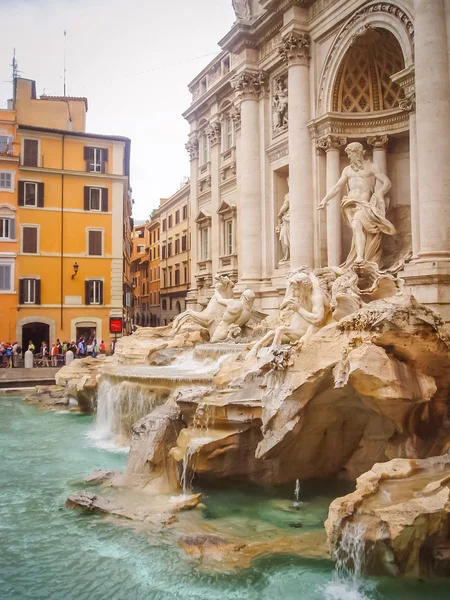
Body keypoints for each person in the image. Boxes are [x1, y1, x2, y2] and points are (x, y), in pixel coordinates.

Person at [318, 141, 396, 268]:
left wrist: (380, 193)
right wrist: (325, 200)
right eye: (348, 154)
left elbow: (387, 182)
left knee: (356, 225)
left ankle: (361, 257)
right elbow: (337, 186)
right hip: (349, 204)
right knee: (357, 229)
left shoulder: (372, 167)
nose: (349, 157)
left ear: (358, 153)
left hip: (364, 203)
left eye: (351, 153)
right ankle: (361, 256)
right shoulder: (347, 170)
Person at [276, 179, 290, 263]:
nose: (288, 184)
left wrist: (279, 214)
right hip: (286, 219)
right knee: (283, 237)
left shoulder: (291, 195)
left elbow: (286, 204)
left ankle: (288, 257)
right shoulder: (287, 195)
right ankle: (286, 256)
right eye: (288, 182)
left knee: (287, 238)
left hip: (289, 218)